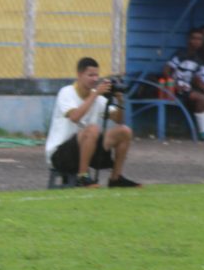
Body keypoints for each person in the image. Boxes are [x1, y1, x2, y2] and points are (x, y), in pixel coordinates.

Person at [45, 57, 140, 188]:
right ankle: (82, 177)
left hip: (85, 150)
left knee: (124, 131)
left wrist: (120, 101)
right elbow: (75, 117)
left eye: (96, 75)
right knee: (92, 129)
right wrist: (94, 95)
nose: (95, 79)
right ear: (79, 75)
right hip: (60, 154)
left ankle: (115, 178)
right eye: (90, 75)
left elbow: (118, 120)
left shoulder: (97, 97)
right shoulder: (66, 92)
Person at [164, 27, 204, 140]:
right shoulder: (181, 54)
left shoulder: (200, 58)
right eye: (194, 38)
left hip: (190, 88)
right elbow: (167, 70)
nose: (197, 41)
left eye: (199, 39)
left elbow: (197, 79)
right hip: (177, 88)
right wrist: (173, 84)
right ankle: (203, 132)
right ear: (188, 40)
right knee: (201, 98)